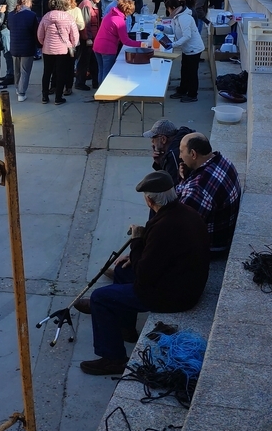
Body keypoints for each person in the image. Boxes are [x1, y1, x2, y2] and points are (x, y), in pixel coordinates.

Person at [75, 171, 210, 375]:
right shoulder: (186, 213)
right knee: (122, 270)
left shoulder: (164, 226)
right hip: (184, 283)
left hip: (174, 296)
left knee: (100, 298)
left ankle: (113, 358)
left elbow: (143, 274)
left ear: (149, 200)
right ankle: (126, 328)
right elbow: (161, 253)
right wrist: (139, 250)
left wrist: (137, 240)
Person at [176, 133, 242, 256]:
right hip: (225, 233)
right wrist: (185, 178)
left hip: (213, 246)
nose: (180, 157)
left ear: (193, 154)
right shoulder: (223, 161)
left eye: (181, 152)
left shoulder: (197, 189)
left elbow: (180, 228)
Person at [37, 0, 79, 105]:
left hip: (47, 49)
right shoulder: (68, 17)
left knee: (47, 73)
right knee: (61, 73)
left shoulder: (46, 16)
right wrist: (72, 45)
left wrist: (44, 43)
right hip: (63, 50)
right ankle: (58, 98)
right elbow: (74, 35)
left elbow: (40, 35)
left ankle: (45, 97)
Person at [160, 0, 205, 102]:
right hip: (187, 49)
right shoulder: (177, 17)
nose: (168, 11)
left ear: (173, 8)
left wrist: (173, 45)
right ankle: (182, 90)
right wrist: (164, 29)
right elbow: (173, 30)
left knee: (192, 73)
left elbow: (187, 36)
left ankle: (192, 94)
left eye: (168, 9)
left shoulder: (184, 18)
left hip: (194, 49)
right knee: (184, 71)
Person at [93, 0, 143, 84]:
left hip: (97, 45)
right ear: (127, 11)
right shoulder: (120, 21)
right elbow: (126, 41)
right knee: (107, 72)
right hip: (107, 49)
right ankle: (105, 94)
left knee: (101, 69)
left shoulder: (110, 14)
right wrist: (141, 44)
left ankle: (99, 92)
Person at [6, 0, 39, 101]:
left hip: (15, 46)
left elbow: (9, 27)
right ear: (28, 3)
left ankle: (17, 88)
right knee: (25, 70)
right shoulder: (31, 15)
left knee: (17, 70)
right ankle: (21, 92)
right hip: (27, 47)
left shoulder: (11, 15)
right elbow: (35, 32)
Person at [73, 0, 104, 91]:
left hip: (93, 38)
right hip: (87, 39)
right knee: (84, 61)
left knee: (93, 61)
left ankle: (95, 82)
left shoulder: (93, 3)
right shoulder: (87, 4)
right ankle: (80, 83)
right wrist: (88, 38)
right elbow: (86, 23)